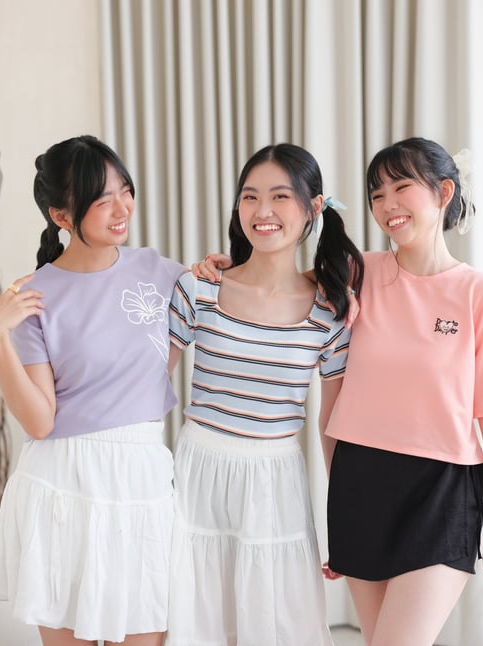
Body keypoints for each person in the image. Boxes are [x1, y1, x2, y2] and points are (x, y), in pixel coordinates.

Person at [321, 137, 483, 646]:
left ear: (443, 192)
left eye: (401, 187)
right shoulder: (356, 273)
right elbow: (274, 289)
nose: (387, 205)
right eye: (376, 194)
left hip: (443, 490)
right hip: (359, 482)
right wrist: (219, 268)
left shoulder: (481, 294)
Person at [0, 135, 185, 646]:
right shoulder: (34, 295)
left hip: (140, 480)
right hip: (63, 486)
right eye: (101, 199)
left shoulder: (162, 274)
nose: (122, 208)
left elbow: (240, 302)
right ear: (62, 216)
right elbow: (39, 421)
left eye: (125, 190)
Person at [165, 143, 364, 646]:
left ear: (313, 208)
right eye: (250, 197)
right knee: (197, 619)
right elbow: (147, 388)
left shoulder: (330, 313)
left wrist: (343, 519)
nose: (262, 211)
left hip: (275, 483)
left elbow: (331, 424)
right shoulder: (199, 289)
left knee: (272, 624)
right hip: (197, 473)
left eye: (280, 196)